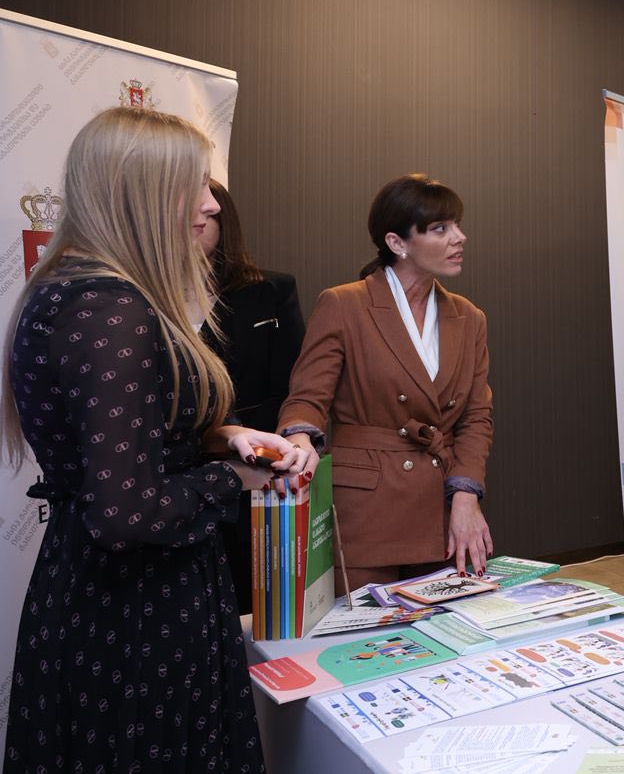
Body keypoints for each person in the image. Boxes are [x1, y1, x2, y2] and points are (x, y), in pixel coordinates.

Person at [2, 107, 312, 772]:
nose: (211, 205)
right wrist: (237, 477)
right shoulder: (111, 309)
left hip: (111, 599)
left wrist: (224, 435)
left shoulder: (73, 291)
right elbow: (125, 513)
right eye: (193, 185)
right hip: (138, 616)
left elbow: (126, 437)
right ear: (138, 193)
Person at [277, 174, 494, 588]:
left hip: (441, 507)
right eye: (440, 228)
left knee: (443, 622)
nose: (459, 237)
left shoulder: (469, 317)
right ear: (397, 242)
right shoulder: (344, 304)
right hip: (365, 509)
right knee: (364, 629)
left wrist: (467, 496)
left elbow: (476, 418)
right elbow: (307, 398)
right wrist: (299, 438)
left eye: (458, 225)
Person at [200, 179, 308, 597]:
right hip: (181, 475)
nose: (198, 219)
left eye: (208, 212)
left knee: (257, 595)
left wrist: (284, 448)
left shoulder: (269, 291)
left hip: (261, 468)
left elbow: (294, 385)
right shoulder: (145, 298)